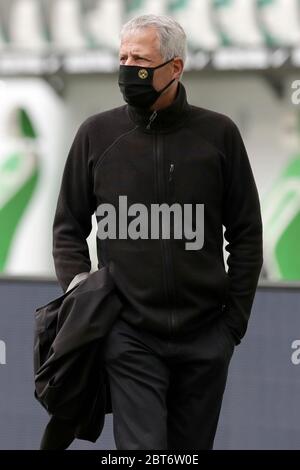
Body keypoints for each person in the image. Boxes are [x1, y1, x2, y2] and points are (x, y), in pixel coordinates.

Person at [52, 14, 263, 450]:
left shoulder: (218, 134)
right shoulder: (96, 134)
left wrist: (231, 326)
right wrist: (83, 297)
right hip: (128, 335)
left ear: (175, 67)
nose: (129, 69)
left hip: (206, 337)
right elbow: (68, 228)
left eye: (141, 59)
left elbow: (246, 235)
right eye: (123, 57)